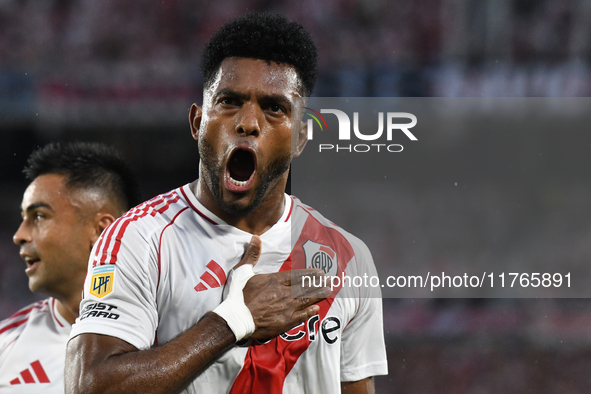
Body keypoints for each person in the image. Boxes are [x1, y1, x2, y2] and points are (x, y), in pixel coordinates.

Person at [65, 12, 387, 394]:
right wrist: (232, 322)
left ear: (300, 138)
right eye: (230, 101)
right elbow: (90, 386)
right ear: (197, 122)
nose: (249, 122)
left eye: (274, 108)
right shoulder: (139, 240)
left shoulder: (349, 257)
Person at [0, 142, 140, 393]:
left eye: (39, 216)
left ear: (101, 231)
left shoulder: (178, 329)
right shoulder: (6, 347)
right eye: (22, 219)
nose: (19, 235)